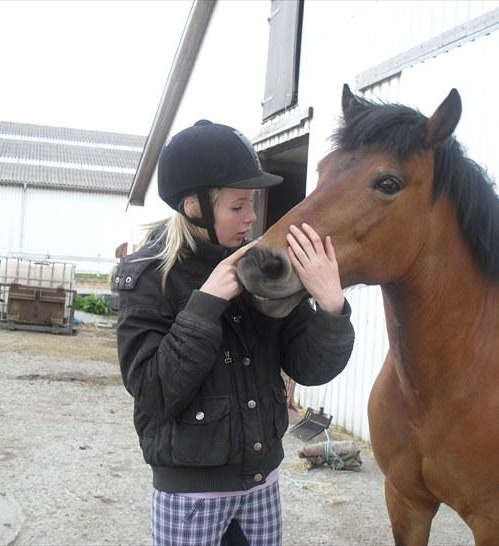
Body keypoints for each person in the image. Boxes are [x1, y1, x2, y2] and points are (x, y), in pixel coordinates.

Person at [115, 120, 355, 546]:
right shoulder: (148, 277)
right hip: (191, 496)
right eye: (237, 206)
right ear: (194, 207)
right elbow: (154, 392)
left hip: (261, 486)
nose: (252, 218)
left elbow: (310, 367)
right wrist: (205, 305)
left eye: (252, 204)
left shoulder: (261, 266)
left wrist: (331, 307)